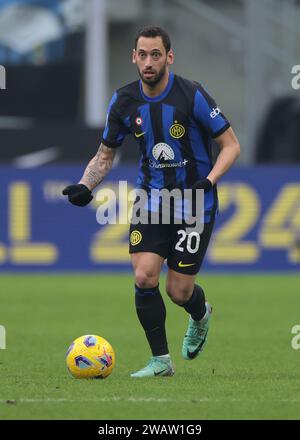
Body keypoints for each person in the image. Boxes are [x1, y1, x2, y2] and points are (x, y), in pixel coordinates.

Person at [62, 25, 240, 378]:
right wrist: (85, 185)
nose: (148, 61)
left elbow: (231, 145)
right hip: (151, 201)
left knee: (178, 290)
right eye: (142, 54)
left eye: (155, 54)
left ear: (168, 57)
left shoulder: (192, 96)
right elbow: (104, 155)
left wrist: (210, 179)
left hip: (194, 203)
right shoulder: (124, 100)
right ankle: (161, 361)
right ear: (133, 57)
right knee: (144, 276)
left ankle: (200, 313)